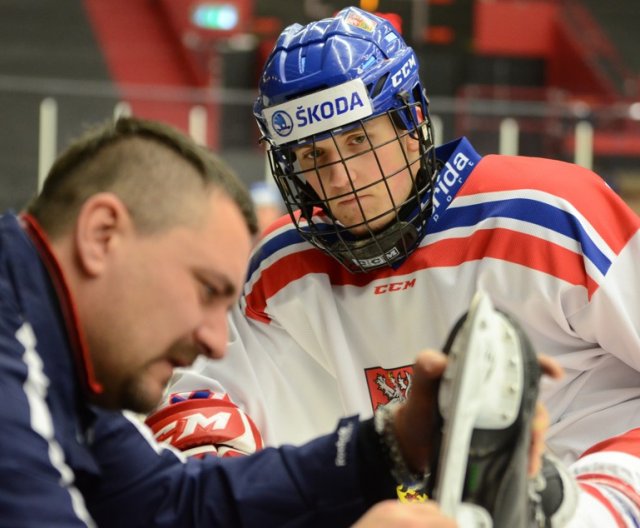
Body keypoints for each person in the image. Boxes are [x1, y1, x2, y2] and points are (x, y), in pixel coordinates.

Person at [155, 6, 640, 526]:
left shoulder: (551, 211)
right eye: (312, 155)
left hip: (590, 481)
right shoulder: (275, 267)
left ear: (410, 122)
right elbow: (198, 401)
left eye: (358, 140)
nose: (339, 177)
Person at [0, 114, 473, 527]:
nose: (214, 343)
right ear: (102, 236)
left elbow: (172, 506)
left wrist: (388, 444)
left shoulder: (61, 362)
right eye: (206, 290)